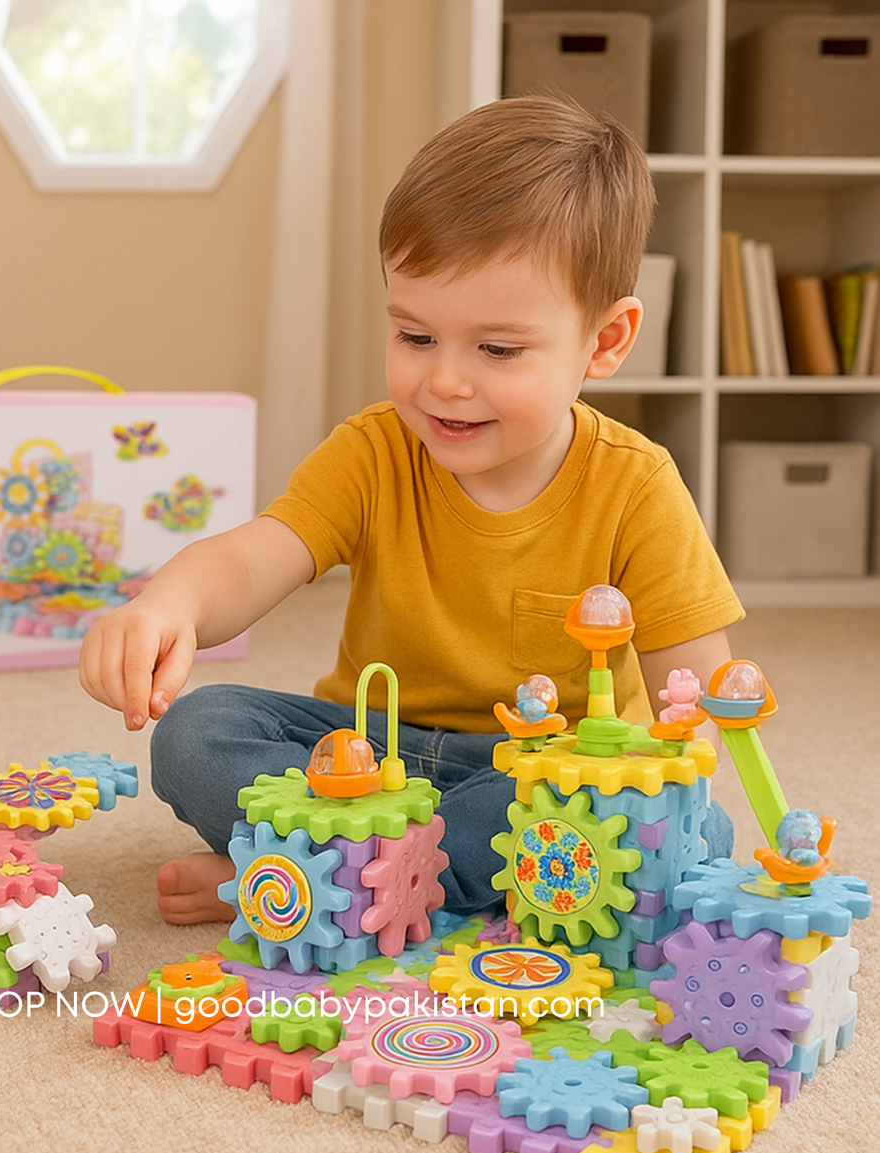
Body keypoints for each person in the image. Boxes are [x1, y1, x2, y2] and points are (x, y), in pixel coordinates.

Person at [79, 96, 744, 924]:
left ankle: (306, 881)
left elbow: (696, 699)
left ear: (605, 342)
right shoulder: (374, 451)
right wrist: (167, 602)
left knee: (688, 828)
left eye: (497, 350)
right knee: (197, 733)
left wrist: (659, 793)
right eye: (416, 337)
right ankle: (380, 875)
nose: (446, 382)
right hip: (363, 756)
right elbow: (256, 554)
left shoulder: (637, 485)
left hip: (540, 773)